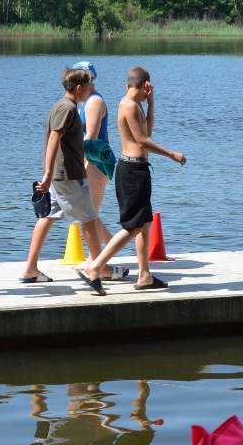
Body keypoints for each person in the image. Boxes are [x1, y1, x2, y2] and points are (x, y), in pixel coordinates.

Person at [77, 65, 187, 295]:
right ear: (146, 85)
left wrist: (152, 103)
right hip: (132, 171)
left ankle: (144, 275)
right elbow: (142, 142)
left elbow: (147, 132)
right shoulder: (128, 105)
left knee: (145, 223)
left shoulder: (135, 104)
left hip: (139, 169)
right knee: (133, 227)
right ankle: (96, 266)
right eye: (150, 88)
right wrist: (172, 154)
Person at [21, 68, 114, 284]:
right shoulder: (69, 109)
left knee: (48, 217)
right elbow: (54, 138)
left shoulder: (61, 106)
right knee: (89, 219)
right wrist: (47, 173)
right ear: (79, 88)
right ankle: (99, 268)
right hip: (68, 175)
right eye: (88, 87)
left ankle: (30, 269)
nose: (90, 91)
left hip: (59, 174)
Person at [73, 61, 120, 275]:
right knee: (88, 212)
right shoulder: (84, 101)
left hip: (97, 160)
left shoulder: (93, 102)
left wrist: (78, 158)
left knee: (89, 212)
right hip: (90, 158)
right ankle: (106, 247)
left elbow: (90, 136)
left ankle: (100, 255)